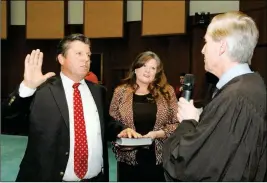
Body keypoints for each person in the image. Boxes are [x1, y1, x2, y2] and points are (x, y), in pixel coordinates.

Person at [2, 33, 139, 182]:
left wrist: (121, 130)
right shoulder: (42, 90)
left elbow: (104, 124)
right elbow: (8, 120)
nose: (86, 58)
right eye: (79, 53)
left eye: (88, 54)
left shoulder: (98, 91)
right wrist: (27, 88)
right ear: (62, 59)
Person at [163, 11, 267, 181]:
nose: (203, 50)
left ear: (222, 47)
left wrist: (188, 122)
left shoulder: (235, 99)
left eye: (206, 42)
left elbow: (188, 165)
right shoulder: (252, 86)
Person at [109, 51, 179, 182]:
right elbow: (112, 122)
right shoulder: (120, 91)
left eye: (152, 68)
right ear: (135, 68)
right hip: (127, 158)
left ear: (157, 72)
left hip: (159, 158)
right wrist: (122, 133)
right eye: (144, 66)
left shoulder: (167, 92)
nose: (147, 71)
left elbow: (177, 123)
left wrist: (158, 134)